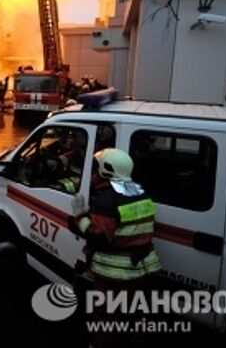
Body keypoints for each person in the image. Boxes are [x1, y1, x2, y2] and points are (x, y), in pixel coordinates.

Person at [69, 148, 161, 348]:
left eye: (96, 168)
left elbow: (99, 238)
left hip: (114, 273)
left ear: (107, 170)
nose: (93, 173)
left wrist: (80, 218)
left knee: (107, 316)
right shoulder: (141, 192)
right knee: (136, 313)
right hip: (140, 268)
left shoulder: (107, 201)